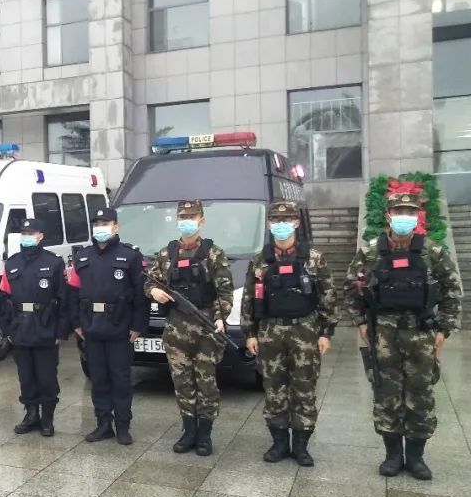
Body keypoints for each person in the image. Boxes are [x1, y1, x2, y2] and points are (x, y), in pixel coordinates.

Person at [346, 191, 461, 480]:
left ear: (418, 216)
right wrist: (360, 321)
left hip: (420, 332)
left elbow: (452, 291)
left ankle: (417, 457)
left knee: (420, 394)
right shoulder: (371, 252)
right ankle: (393, 455)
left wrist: (443, 329)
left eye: (410, 212)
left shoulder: (431, 252)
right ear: (388, 215)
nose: (404, 217)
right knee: (386, 393)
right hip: (383, 332)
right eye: (399, 211)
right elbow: (353, 286)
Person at [240, 201, 337, 467]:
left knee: (304, 388)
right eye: (275, 220)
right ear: (269, 224)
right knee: (274, 389)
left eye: (287, 219)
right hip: (270, 331)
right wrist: (250, 332)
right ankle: (279, 442)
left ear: (296, 222)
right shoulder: (261, 260)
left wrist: (326, 332)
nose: (280, 225)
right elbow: (249, 298)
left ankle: (302, 446)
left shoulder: (313, 258)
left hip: (304, 330)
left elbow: (327, 296)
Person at [144, 200, 234, 456]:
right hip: (176, 329)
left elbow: (225, 291)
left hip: (206, 327)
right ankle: (188, 430)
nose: (187, 220)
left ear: (202, 220)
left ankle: (204, 434)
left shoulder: (213, 253)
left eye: (192, 216)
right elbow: (149, 282)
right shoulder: (167, 254)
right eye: (183, 216)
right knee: (182, 382)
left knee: (206, 382)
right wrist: (155, 291)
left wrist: (220, 317)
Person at [67, 207, 148, 444]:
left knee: (120, 379)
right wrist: (75, 323)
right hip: (91, 328)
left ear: (116, 227)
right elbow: (72, 292)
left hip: (120, 328)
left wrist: (138, 325)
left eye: (106, 223)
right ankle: (103, 424)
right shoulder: (82, 256)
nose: (100, 228)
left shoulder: (131, 256)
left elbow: (140, 295)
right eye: (97, 223)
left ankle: (123, 425)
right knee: (98, 380)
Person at [0, 218, 68, 437]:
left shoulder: (54, 263)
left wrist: (60, 331)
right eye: (24, 232)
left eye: (31, 232)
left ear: (41, 236)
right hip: (20, 328)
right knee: (26, 377)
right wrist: (7, 330)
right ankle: (31, 415)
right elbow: (3, 298)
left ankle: (47, 417)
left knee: (47, 377)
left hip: (45, 327)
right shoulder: (12, 263)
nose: (27, 236)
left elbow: (63, 299)